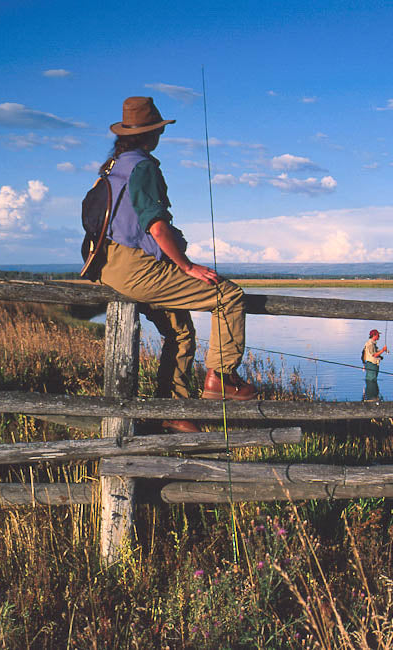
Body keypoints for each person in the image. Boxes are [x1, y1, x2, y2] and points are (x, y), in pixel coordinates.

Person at [94, 96, 257, 433]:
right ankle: (221, 378)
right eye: (158, 130)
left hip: (109, 265)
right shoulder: (144, 167)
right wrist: (186, 265)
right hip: (137, 267)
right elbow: (155, 224)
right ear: (151, 133)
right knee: (227, 295)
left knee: (180, 332)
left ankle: (174, 410)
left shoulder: (113, 167)